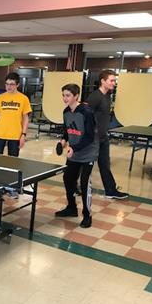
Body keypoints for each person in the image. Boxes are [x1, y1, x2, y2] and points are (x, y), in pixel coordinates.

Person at [55, 84, 99, 228]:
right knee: (68, 178)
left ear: (76, 96)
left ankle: (87, 215)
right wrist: (63, 142)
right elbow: (67, 130)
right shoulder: (66, 112)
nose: (64, 98)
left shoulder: (86, 112)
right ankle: (72, 208)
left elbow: (90, 137)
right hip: (73, 153)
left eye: (68, 95)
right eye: (63, 95)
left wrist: (74, 147)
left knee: (85, 183)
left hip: (87, 153)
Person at [86, 70, 128, 199]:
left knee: (105, 164)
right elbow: (84, 115)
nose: (114, 83)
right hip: (93, 138)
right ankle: (75, 187)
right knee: (86, 165)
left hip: (103, 137)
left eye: (114, 80)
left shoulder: (107, 95)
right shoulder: (95, 96)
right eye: (111, 80)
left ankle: (110, 190)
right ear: (103, 81)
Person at [0, 72, 32, 156]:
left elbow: (25, 118)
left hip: (15, 135)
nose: (9, 86)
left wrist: (23, 134)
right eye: (7, 84)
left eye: (12, 84)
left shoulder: (24, 99)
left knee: (13, 162)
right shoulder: (0, 97)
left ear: (17, 85)